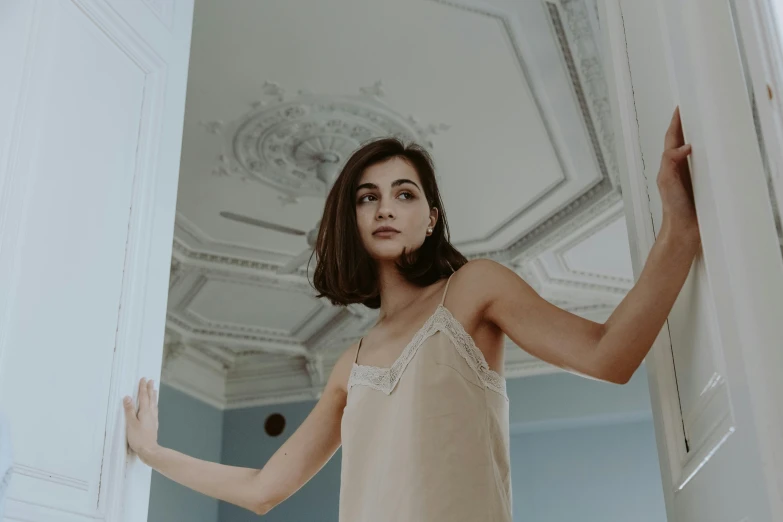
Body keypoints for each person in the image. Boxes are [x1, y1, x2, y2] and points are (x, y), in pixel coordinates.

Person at [124, 107, 699, 521]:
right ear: (351, 219)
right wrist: (151, 452)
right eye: (367, 197)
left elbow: (609, 355)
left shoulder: (475, 289)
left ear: (431, 218)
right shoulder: (349, 365)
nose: (385, 208)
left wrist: (679, 229)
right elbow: (262, 489)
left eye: (405, 193)